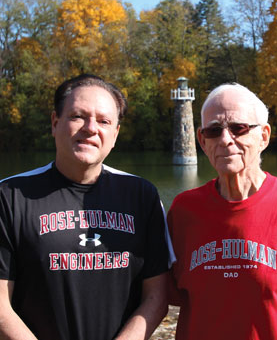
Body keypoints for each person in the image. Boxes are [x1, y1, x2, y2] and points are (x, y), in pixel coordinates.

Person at [0, 74, 170, 340]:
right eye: (78, 116)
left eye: (104, 121)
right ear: (55, 123)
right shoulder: (10, 196)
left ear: (115, 134)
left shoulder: (142, 195)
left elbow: (157, 296)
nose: (91, 128)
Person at [167, 83, 277, 340]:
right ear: (202, 141)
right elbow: (164, 293)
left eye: (238, 128)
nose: (226, 139)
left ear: (263, 136)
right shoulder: (184, 210)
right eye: (214, 131)